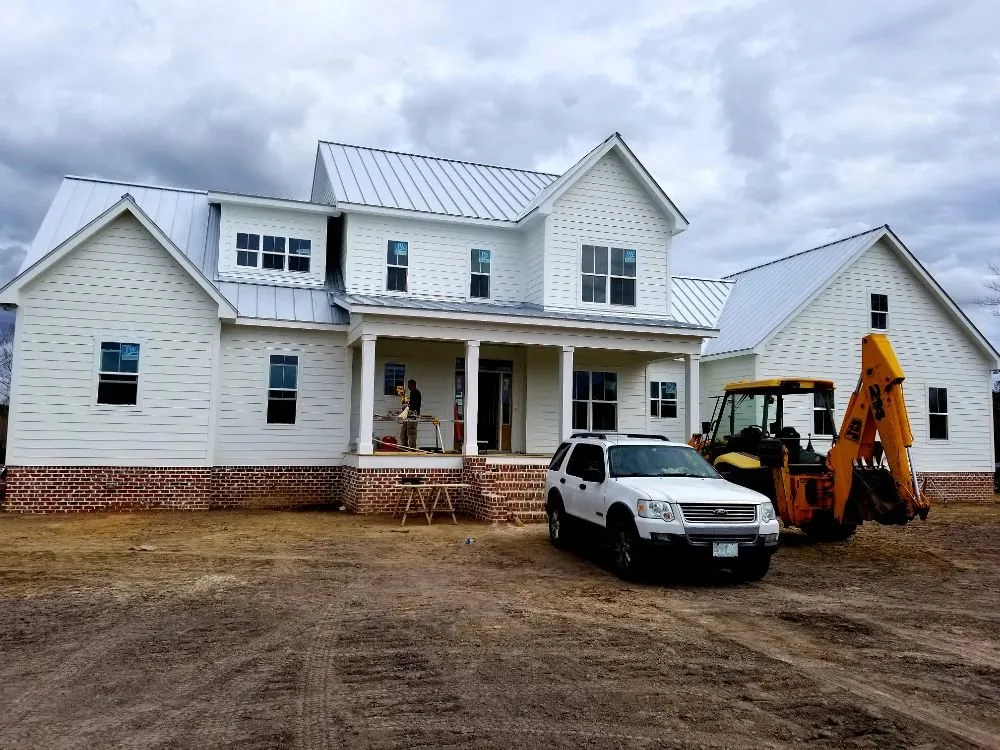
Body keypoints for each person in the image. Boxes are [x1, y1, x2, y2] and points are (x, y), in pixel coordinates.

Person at [400, 379, 422, 449]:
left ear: (412, 385)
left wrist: (406, 406)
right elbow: (411, 404)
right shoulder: (412, 393)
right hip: (408, 416)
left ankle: (412, 449)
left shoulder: (415, 392)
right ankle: (404, 447)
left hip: (413, 416)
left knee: (411, 433)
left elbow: (414, 406)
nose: (408, 387)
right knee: (403, 432)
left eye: (409, 385)